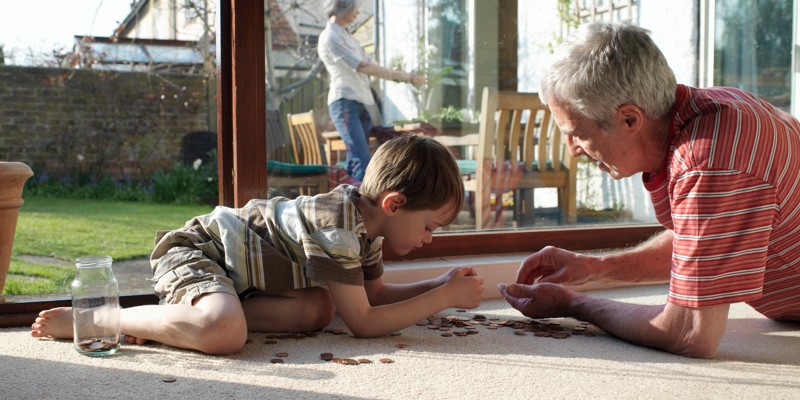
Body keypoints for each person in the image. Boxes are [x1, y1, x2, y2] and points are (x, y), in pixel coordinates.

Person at [498, 21, 800, 358]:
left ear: (629, 119)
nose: (573, 150)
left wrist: (575, 304)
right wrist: (594, 268)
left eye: (579, 133)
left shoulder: (710, 161)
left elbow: (689, 333)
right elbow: (703, 239)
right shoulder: (710, 111)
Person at [31, 135, 484, 355]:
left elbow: (375, 297)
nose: (430, 239)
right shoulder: (338, 228)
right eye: (430, 227)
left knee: (318, 309)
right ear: (395, 203)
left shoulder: (368, 231)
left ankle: (179, 321)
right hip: (199, 251)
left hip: (241, 278)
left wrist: (437, 283)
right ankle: (101, 319)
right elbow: (365, 323)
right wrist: (442, 298)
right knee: (224, 334)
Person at [318, 0, 426, 182]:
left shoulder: (350, 39)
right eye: (355, 9)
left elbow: (374, 66)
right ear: (343, 7)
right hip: (344, 102)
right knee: (361, 157)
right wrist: (406, 76)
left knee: (358, 158)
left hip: (363, 102)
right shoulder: (330, 37)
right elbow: (363, 67)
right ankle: (363, 205)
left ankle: (350, 201)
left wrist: (406, 76)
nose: (357, 14)